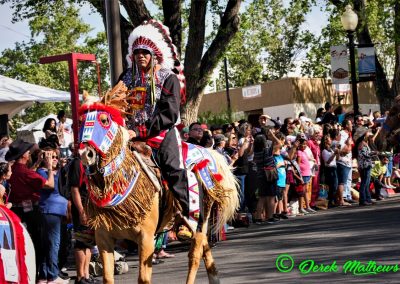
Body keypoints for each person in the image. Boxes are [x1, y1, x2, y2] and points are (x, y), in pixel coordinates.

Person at [118, 19, 192, 239]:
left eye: (145, 52)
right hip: (130, 136)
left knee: (173, 169)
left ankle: (184, 218)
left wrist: (140, 131)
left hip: (160, 134)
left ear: (154, 54)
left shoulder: (168, 78)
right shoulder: (126, 77)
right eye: (137, 51)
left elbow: (169, 114)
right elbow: (116, 103)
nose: (141, 55)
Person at [5, 139, 55, 278]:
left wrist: (38, 163)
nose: (29, 153)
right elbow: (50, 185)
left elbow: (27, 174)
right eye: (27, 152)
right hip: (30, 212)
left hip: (15, 212)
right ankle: (36, 275)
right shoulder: (25, 172)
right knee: (38, 244)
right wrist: (49, 167)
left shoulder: (13, 169)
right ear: (23, 156)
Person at [35, 142, 69, 284]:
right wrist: (48, 166)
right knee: (53, 244)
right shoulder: (42, 172)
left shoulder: (57, 171)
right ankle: (52, 276)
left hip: (57, 212)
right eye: (51, 157)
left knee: (49, 244)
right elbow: (50, 186)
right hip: (49, 212)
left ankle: (43, 276)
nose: (54, 159)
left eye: (56, 156)